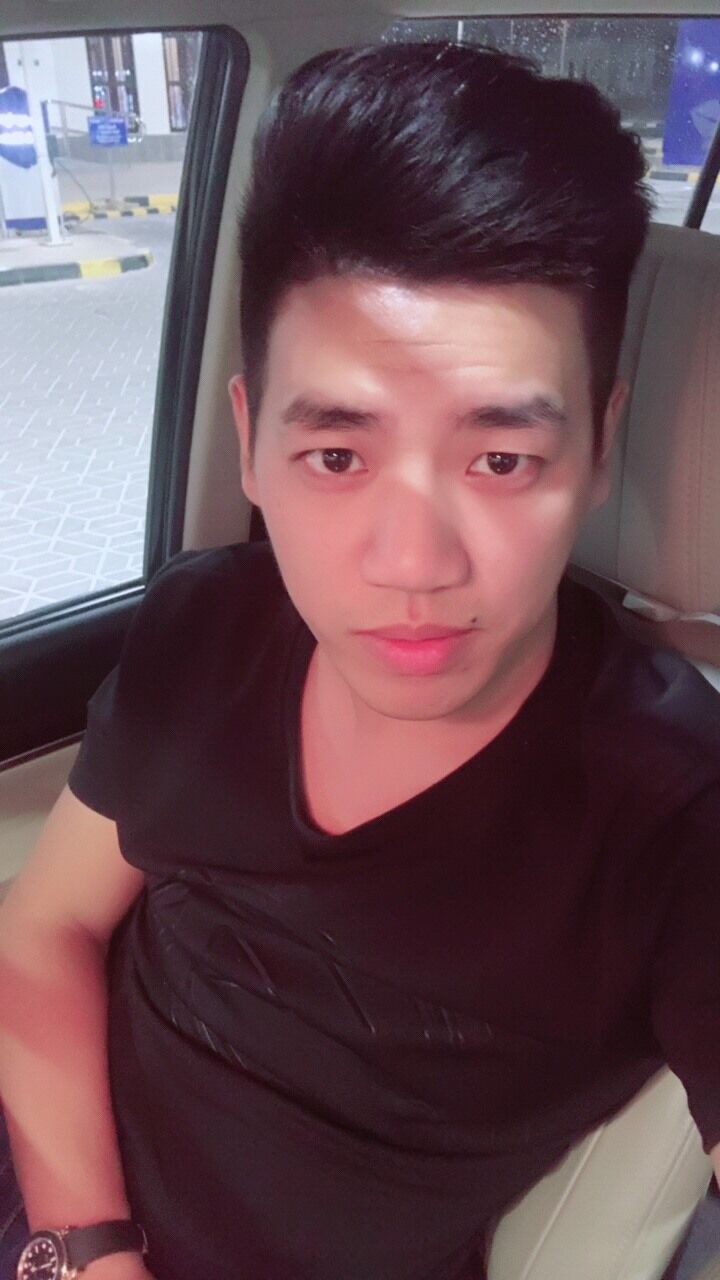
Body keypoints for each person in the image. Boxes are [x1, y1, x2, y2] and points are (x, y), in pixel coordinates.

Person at [0, 39, 719, 1280]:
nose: (412, 563)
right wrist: (89, 1252)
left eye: (502, 459)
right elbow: (44, 926)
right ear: (250, 444)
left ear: (600, 449)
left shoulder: (673, 813)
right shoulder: (209, 626)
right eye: (337, 456)